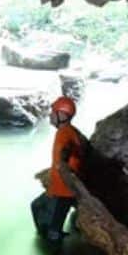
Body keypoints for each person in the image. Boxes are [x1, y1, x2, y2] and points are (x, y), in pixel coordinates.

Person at [31, 96, 83, 245]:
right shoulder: (66, 131)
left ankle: (55, 253)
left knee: (51, 230)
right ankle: (51, 238)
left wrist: (66, 155)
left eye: (53, 113)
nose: (50, 115)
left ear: (62, 115)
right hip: (58, 187)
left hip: (63, 191)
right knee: (36, 206)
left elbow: (68, 153)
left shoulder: (65, 134)